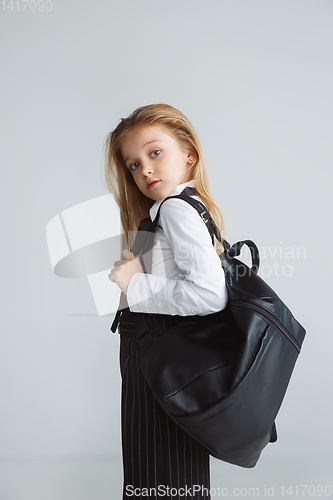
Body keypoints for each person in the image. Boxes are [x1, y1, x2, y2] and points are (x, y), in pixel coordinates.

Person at [104, 103, 228, 499]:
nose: (145, 170)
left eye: (154, 153)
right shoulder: (174, 210)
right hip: (168, 366)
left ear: (189, 154)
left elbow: (210, 295)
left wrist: (136, 285)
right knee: (170, 477)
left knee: (158, 478)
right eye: (134, 165)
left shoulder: (175, 209)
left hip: (162, 367)